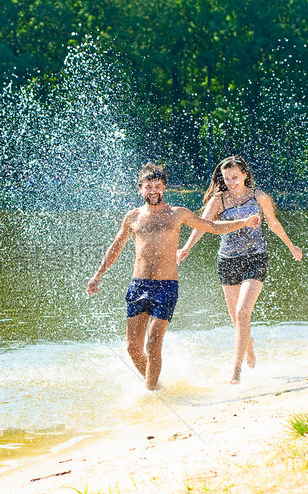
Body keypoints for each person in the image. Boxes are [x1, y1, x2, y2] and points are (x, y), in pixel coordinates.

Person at [87, 162, 261, 390]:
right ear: (140, 189)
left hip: (166, 287)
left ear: (164, 188)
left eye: (157, 186)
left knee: (152, 343)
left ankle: (150, 395)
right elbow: (115, 247)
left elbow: (211, 226)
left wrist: (244, 222)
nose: (153, 191)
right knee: (132, 348)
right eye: (148, 186)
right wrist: (98, 275)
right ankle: (157, 388)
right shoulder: (133, 217)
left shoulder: (177, 214)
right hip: (138, 286)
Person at [177, 156, 303, 384]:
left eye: (235, 177)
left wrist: (290, 245)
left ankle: (236, 370)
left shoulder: (259, 197)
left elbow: (273, 223)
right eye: (226, 178)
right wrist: (186, 248)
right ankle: (249, 344)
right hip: (228, 261)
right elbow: (203, 225)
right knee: (236, 318)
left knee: (243, 312)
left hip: (255, 258)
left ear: (245, 174)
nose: (231, 182)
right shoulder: (219, 200)